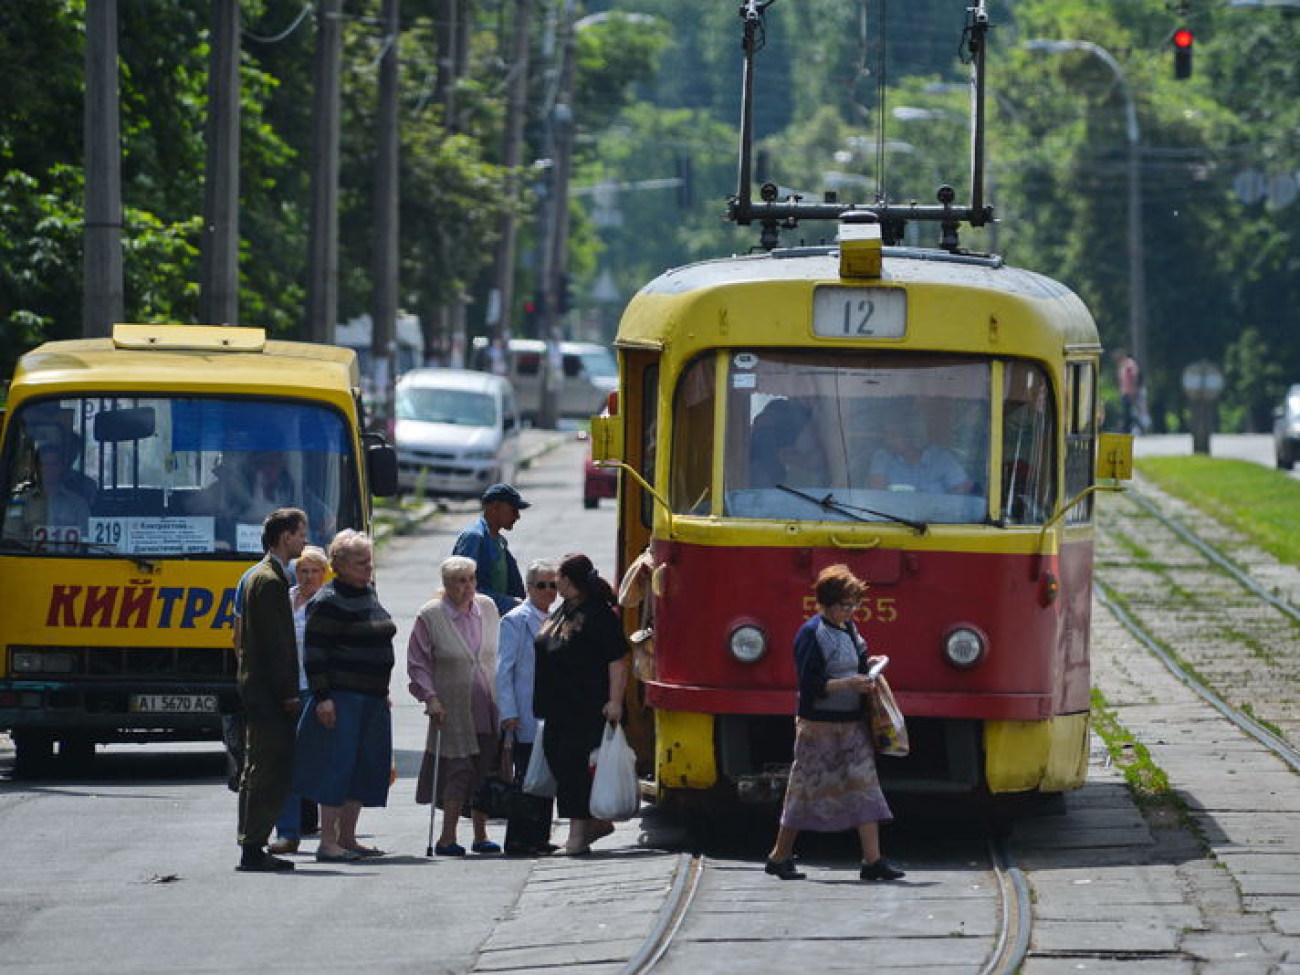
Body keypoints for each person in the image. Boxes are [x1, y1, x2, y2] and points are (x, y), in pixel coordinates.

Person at [764, 564, 903, 882]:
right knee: (804, 790)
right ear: (826, 603)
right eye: (845, 605)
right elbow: (810, 684)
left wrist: (871, 666)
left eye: (854, 604)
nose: (851, 611)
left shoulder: (850, 629)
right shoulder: (812, 634)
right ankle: (779, 855)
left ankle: (872, 861)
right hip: (819, 726)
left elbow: (856, 658)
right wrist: (848, 684)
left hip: (852, 722)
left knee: (865, 786)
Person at [293, 531, 397, 863]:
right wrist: (323, 697)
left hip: (372, 697)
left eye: (370, 560)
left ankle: (349, 838)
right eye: (361, 562)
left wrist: (383, 691)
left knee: (365, 767)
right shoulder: (327, 600)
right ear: (338, 565)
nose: (368, 567)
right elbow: (314, 654)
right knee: (336, 767)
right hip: (342, 698)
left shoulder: (367, 591)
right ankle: (328, 842)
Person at [533, 552, 630, 856]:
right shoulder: (564, 609)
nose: (554, 582)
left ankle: (577, 836)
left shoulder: (599, 614)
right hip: (555, 705)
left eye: (558, 577)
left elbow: (618, 660)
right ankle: (593, 825)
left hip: (586, 705)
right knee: (558, 760)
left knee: (574, 766)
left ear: (570, 581)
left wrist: (615, 701)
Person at [408, 555, 503, 856]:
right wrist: (430, 698)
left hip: (489, 704)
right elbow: (418, 663)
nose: (468, 586)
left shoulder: (487, 607)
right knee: (458, 770)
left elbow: (498, 655)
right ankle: (447, 837)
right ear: (446, 584)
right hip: (451, 707)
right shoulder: (431, 615)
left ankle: (480, 834)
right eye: (460, 581)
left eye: (472, 579)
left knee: (486, 768)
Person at [235, 507, 308, 873]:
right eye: (300, 533)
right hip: (267, 693)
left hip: (258, 689)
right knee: (268, 768)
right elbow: (277, 644)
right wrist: (288, 693)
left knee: (259, 766)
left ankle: (252, 843)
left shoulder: (260, 575)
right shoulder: (271, 581)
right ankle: (252, 845)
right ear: (284, 537)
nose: (305, 539)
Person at [497, 559, 559, 855]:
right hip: (525, 711)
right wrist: (508, 712)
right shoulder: (516, 619)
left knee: (545, 776)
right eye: (542, 585)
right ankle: (519, 839)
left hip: (549, 710)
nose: (549, 591)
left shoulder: (558, 616)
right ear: (529, 588)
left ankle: (540, 836)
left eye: (553, 585)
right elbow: (504, 669)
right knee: (525, 777)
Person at [268, 545, 328, 854]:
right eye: (303, 570)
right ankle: (288, 832)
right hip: (289, 690)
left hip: (318, 692)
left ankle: (333, 832)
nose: (308, 577)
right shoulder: (286, 598)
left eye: (314, 571)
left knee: (319, 761)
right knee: (287, 763)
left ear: (324, 574)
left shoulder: (328, 603)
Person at [2, 435, 92, 548]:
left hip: (71, 563)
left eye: (53, 464)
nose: (48, 469)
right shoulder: (17, 502)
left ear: (62, 467)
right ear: (35, 468)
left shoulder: (79, 504)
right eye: (43, 464)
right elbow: (9, 538)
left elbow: (87, 540)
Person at [452, 482, 528, 614]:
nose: (517, 516)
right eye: (513, 510)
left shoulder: (499, 542)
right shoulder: (474, 537)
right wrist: (510, 603)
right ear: (495, 507)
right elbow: (463, 589)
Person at [867, 413, 972, 494]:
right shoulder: (882, 457)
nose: (888, 441)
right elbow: (877, 494)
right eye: (886, 435)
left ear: (912, 437)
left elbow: (963, 490)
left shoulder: (941, 458)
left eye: (894, 436)